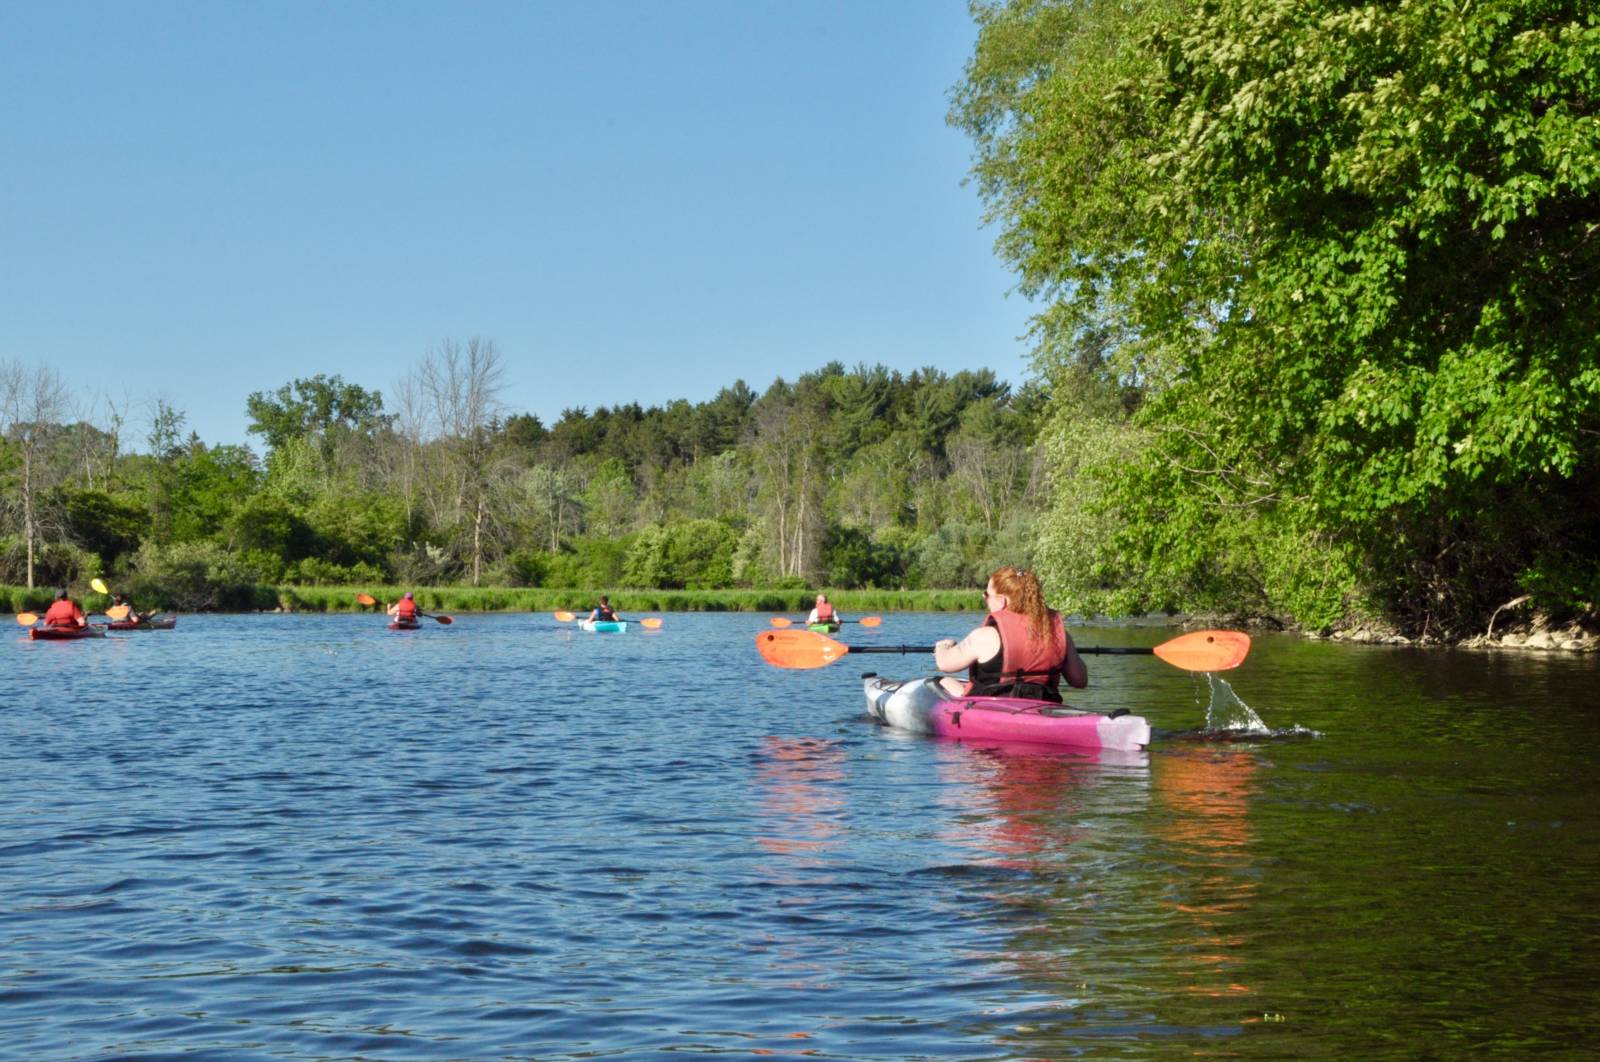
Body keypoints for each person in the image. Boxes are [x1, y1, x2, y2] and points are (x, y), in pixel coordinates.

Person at [933, 566, 1087, 702]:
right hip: (1043, 704)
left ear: (1001, 600)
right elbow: (1080, 680)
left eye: (986, 595)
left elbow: (944, 664)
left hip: (991, 707)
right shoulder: (1057, 632)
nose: (984, 599)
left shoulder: (986, 635)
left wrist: (943, 646)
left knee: (938, 682)